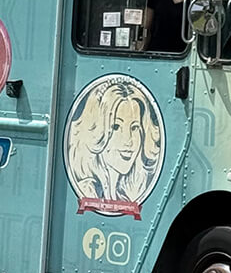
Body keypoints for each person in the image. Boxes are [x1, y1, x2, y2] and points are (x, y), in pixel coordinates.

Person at [65, 78, 163, 206]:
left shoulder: (124, 195)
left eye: (134, 128)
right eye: (116, 127)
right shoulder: (88, 190)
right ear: (96, 132)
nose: (128, 141)